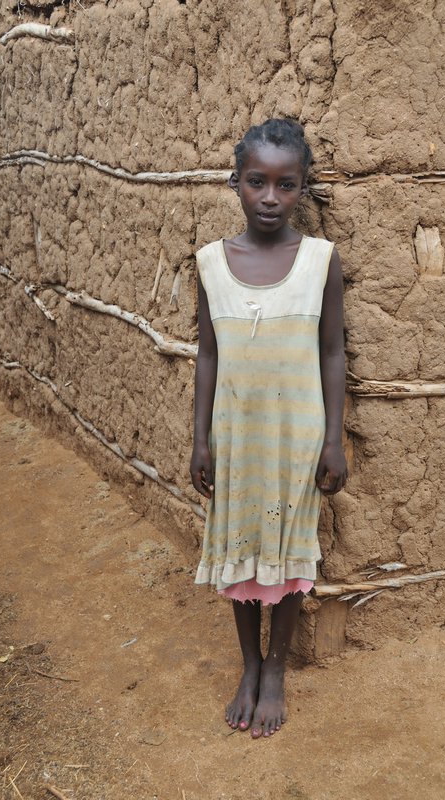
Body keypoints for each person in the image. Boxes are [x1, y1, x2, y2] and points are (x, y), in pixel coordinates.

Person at [190, 118, 347, 739]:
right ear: (236, 183)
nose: (270, 198)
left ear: (303, 189)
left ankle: (276, 668)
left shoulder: (318, 262)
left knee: (284, 554)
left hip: (296, 436)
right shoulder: (211, 263)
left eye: (286, 185)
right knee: (239, 549)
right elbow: (207, 355)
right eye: (257, 182)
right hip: (237, 437)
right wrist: (201, 438)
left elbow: (333, 352)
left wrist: (333, 437)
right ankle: (248, 665)